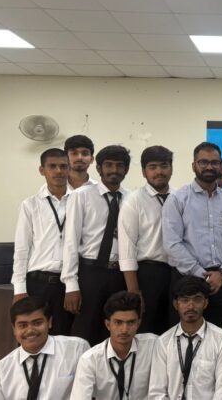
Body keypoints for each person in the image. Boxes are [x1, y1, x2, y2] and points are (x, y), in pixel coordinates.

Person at [162, 142, 222, 328]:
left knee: (217, 331)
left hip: (221, 280)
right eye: (203, 162)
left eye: (214, 163)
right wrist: (201, 274)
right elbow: (172, 243)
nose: (209, 167)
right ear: (194, 165)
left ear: (221, 166)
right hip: (187, 277)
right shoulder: (177, 199)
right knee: (184, 332)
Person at [62, 145, 131, 345]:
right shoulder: (81, 196)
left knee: (116, 331)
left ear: (126, 169)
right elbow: (70, 241)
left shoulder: (131, 199)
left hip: (120, 274)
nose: (114, 170)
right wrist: (71, 285)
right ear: (99, 168)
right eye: (108, 165)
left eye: (119, 165)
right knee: (84, 332)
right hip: (90, 273)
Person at [12, 148, 73, 335]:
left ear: (69, 169)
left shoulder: (80, 200)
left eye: (63, 166)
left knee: (68, 336)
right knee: (35, 336)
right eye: (52, 166)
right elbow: (22, 249)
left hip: (71, 283)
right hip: (39, 282)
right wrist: (19, 288)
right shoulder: (30, 204)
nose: (58, 171)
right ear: (42, 170)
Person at [148, 276, 222, 399]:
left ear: (205, 303)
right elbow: (157, 392)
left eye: (197, 300)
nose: (191, 306)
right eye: (185, 300)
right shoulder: (163, 342)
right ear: (176, 304)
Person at [0, 297, 90, 400]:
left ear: (49, 322)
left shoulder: (77, 349)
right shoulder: (1, 370)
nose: (30, 330)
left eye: (37, 323)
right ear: (14, 329)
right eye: (23, 325)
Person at [118, 145, 174, 335]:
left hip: (177, 273)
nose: (159, 172)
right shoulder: (133, 200)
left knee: (172, 328)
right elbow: (126, 248)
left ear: (171, 168)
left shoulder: (180, 198)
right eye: (153, 167)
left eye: (164, 166)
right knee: (146, 330)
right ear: (144, 172)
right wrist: (134, 291)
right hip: (148, 274)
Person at [71, 291, 157, 400]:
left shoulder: (153, 346)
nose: (124, 330)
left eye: (131, 322)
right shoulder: (90, 360)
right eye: (118, 322)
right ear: (108, 324)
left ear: (138, 323)